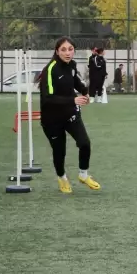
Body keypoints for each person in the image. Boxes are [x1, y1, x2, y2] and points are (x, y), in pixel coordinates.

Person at [38, 37, 101, 193]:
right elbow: (48, 98)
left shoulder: (72, 65)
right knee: (60, 151)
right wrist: (73, 100)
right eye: (64, 50)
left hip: (71, 115)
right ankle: (62, 178)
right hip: (52, 119)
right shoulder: (50, 69)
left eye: (70, 49)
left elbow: (75, 82)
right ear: (57, 51)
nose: (68, 53)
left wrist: (85, 92)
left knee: (85, 143)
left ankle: (83, 175)